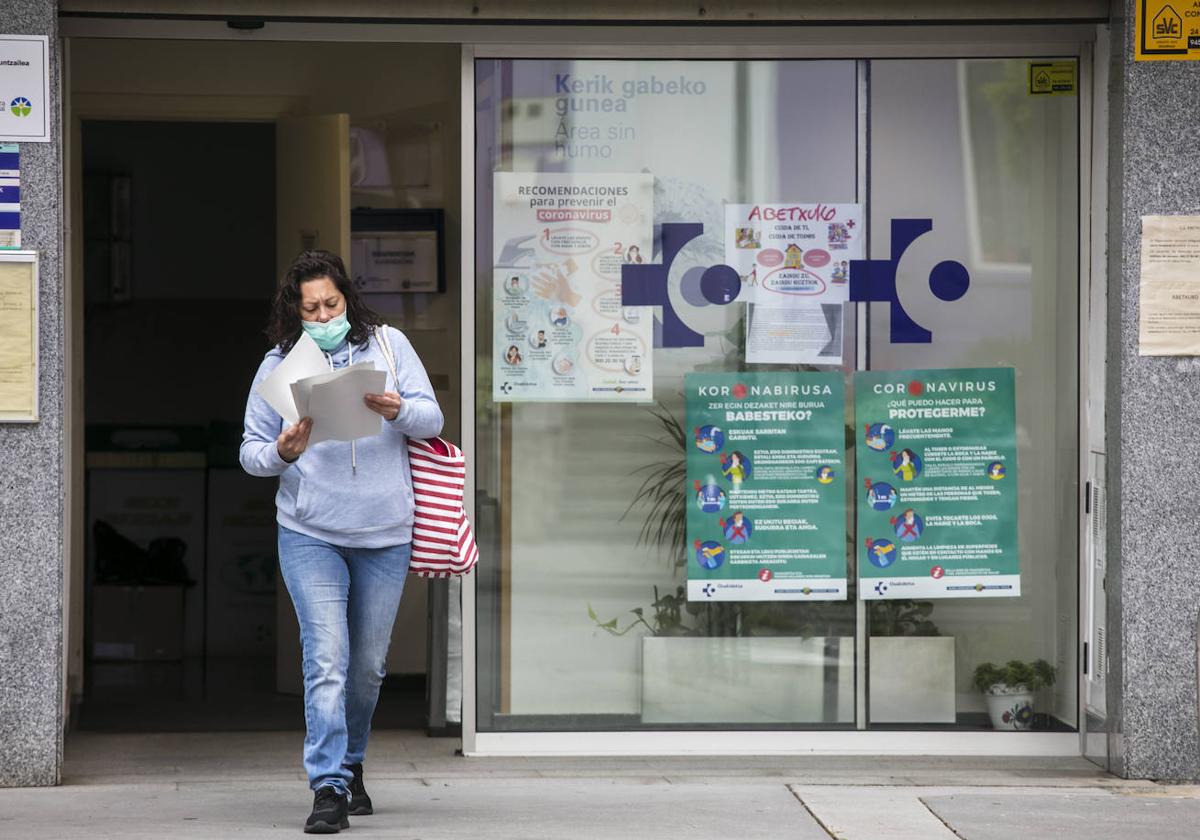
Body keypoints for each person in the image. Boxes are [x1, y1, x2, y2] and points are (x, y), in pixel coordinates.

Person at [240, 250, 443, 834]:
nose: (323, 313)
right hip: (310, 532)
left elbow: (433, 419)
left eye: (331, 303)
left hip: (384, 532)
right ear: (294, 310)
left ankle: (352, 765)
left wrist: (398, 408)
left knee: (368, 667)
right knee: (325, 658)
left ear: (347, 299)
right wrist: (281, 452)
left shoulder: (388, 345)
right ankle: (327, 784)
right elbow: (251, 451)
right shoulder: (279, 365)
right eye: (310, 308)